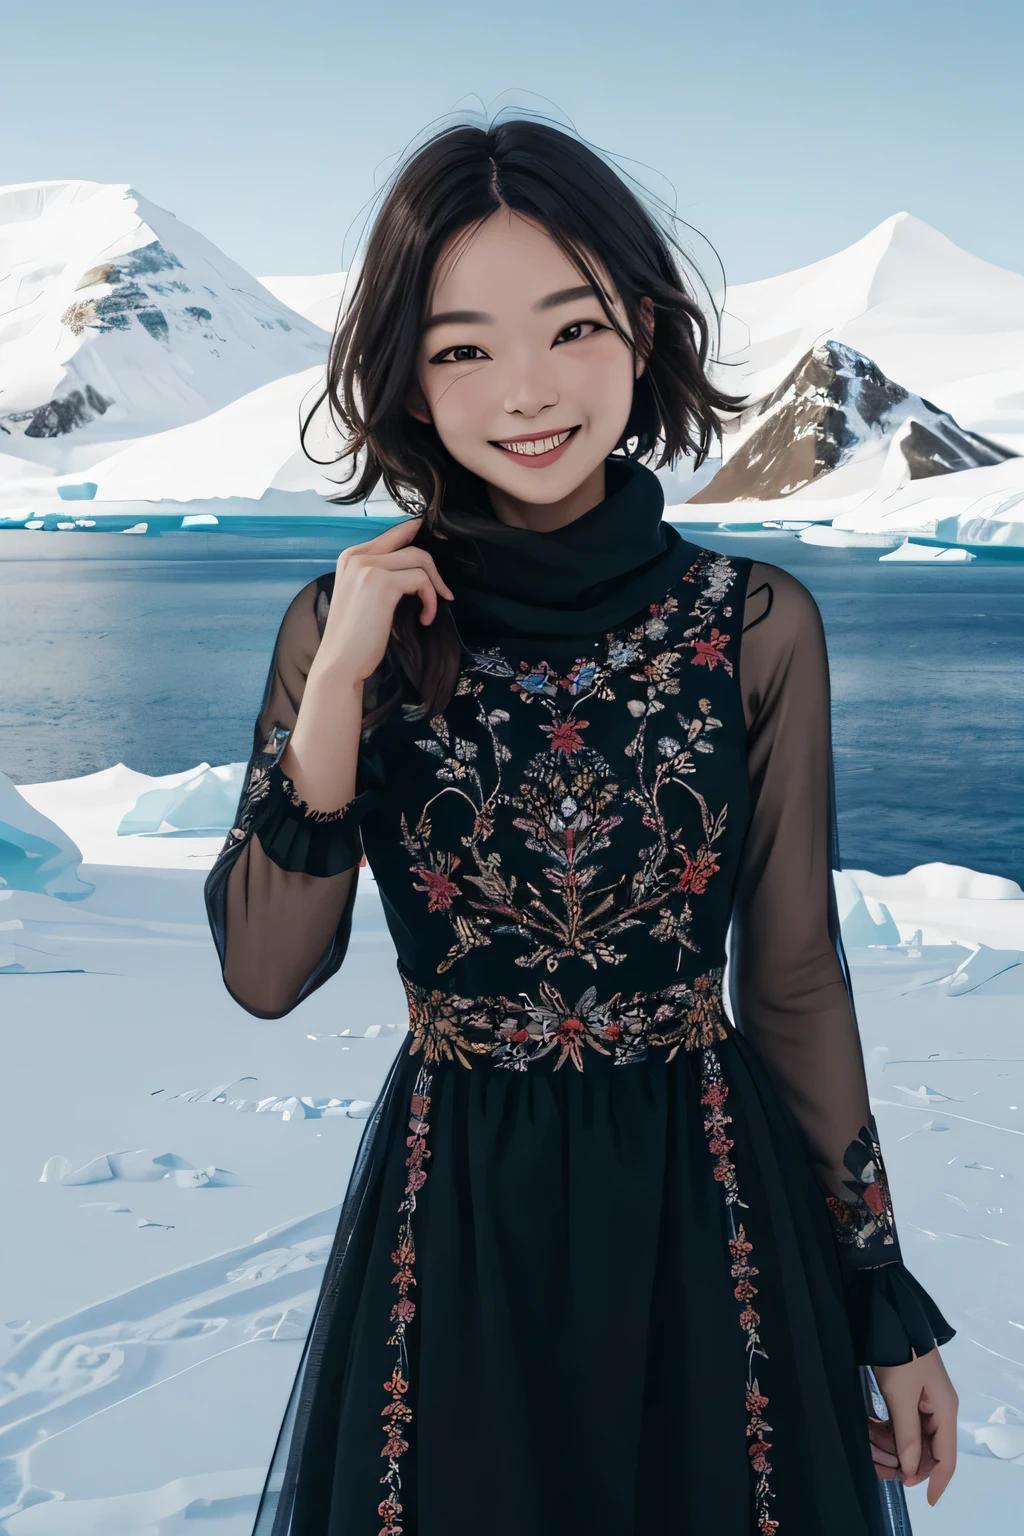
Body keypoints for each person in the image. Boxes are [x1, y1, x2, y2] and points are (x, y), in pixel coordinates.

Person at [205, 115, 958, 1536]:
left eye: (571, 328)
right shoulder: (342, 627)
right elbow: (264, 972)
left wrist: (880, 1296)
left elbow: (792, 978)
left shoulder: (754, 626)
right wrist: (338, 692)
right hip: (454, 1229)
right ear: (410, 384)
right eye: (463, 348)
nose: (528, 392)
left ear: (644, 329)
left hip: (715, 1218)